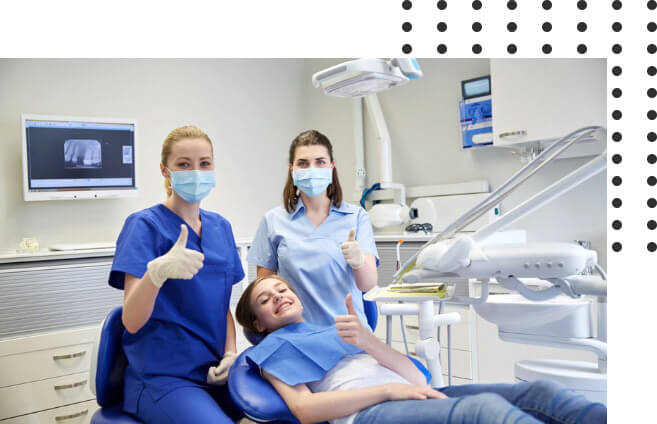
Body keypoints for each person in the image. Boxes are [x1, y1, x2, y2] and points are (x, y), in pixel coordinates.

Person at [235, 275, 607, 424]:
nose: (279, 297)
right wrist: (386, 390)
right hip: (368, 413)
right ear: (259, 324)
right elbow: (304, 410)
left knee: (542, 392)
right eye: (265, 300)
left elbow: (416, 377)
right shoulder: (273, 348)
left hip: (411, 393)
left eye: (282, 289)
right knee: (486, 411)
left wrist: (367, 341)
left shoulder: (336, 329)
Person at [108, 126, 244, 423]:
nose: (196, 171)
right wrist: (156, 275)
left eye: (204, 163)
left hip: (213, 374)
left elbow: (222, 309)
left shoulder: (221, 227)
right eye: (184, 164)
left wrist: (231, 354)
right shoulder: (143, 226)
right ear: (164, 170)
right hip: (162, 379)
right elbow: (131, 321)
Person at [247, 129, 379, 329]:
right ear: (292, 169)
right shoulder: (273, 220)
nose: (312, 169)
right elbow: (263, 292)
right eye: (303, 163)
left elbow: (367, 285)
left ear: (331, 167)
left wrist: (359, 262)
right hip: (296, 336)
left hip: (349, 335)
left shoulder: (356, 217)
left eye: (320, 162)